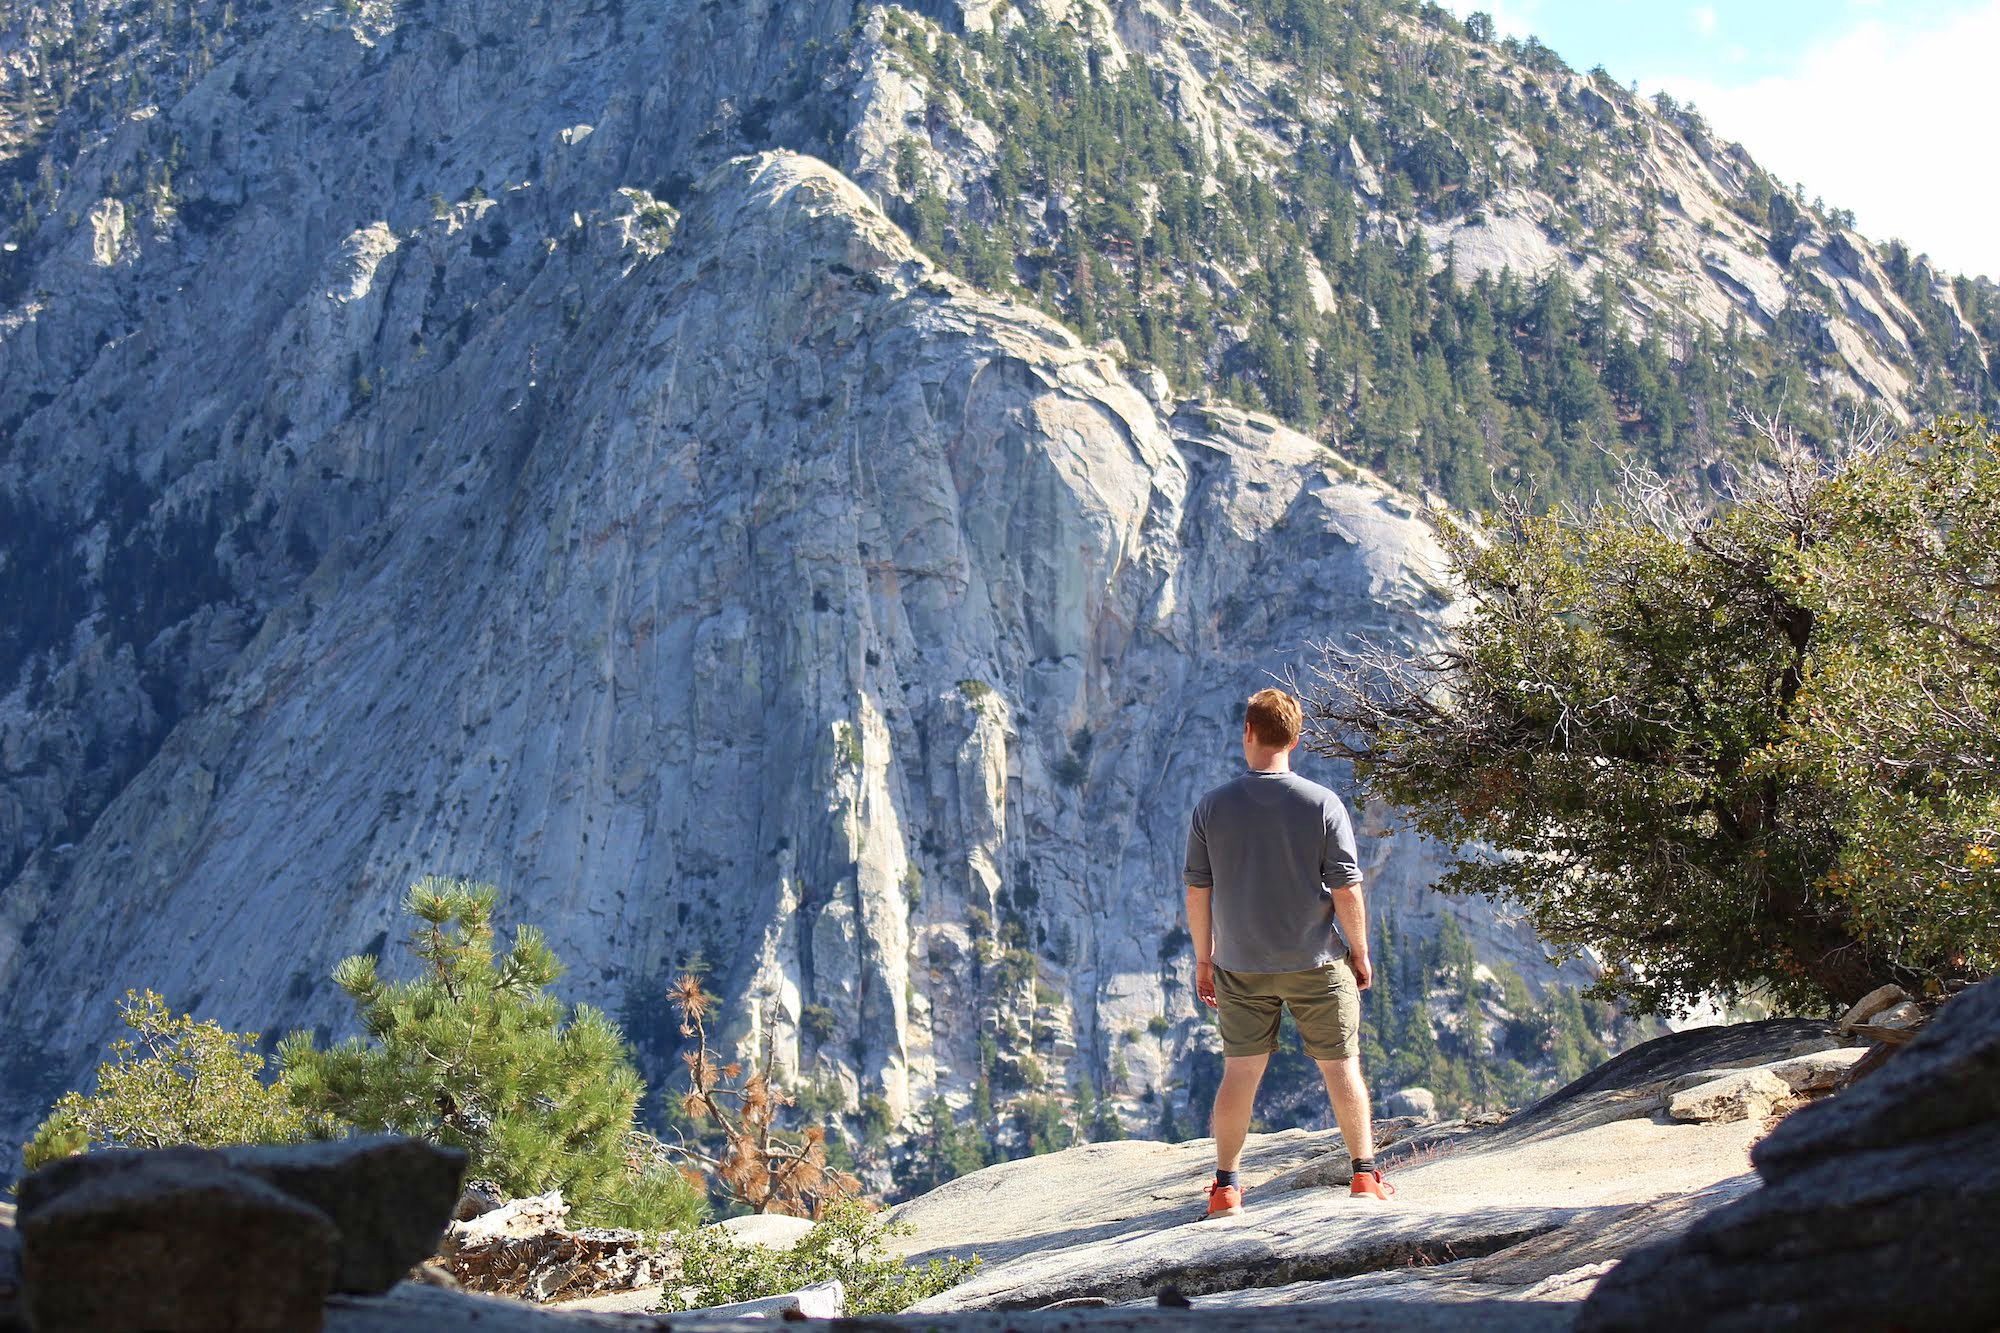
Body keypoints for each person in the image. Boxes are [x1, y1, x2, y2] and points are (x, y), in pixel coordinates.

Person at [1183, 687, 1394, 1218]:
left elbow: (1197, 889)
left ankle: (1226, 1187)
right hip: (1317, 961)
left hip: (1239, 965)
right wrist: (1360, 952)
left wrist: (1204, 960)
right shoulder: (1322, 803)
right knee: (1342, 1068)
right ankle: (1365, 1177)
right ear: (1296, 741)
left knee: (1240, 1073)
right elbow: (1347, 887)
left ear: (1247, 733)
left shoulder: (1212, 807)